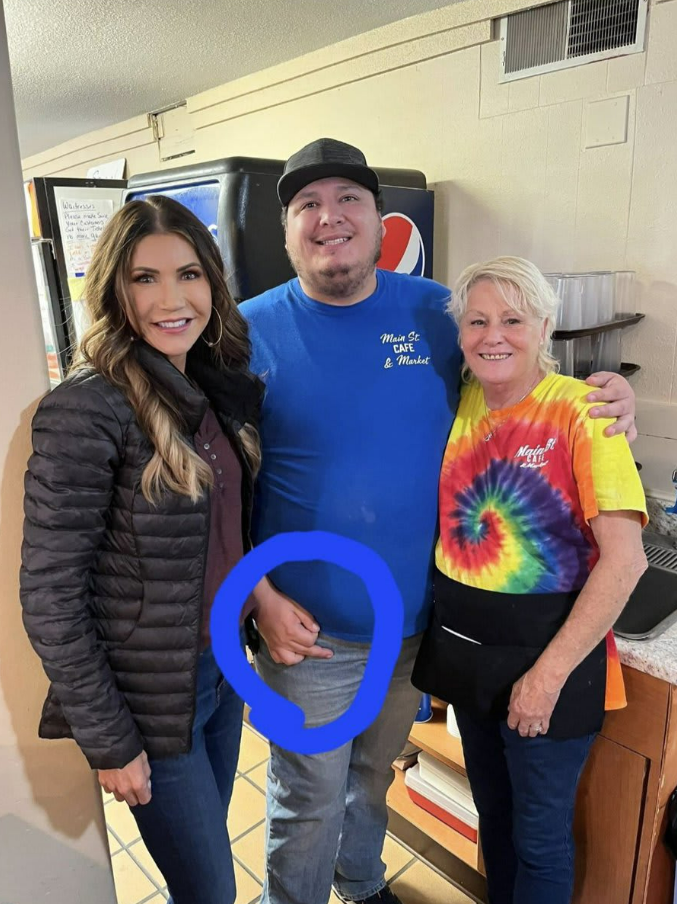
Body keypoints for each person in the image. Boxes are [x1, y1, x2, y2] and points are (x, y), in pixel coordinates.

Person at [239, 138, 638, 904]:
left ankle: (361, 886)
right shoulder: (245, 330)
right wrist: (257, 595)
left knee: (370, 779)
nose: (330, 219)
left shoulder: (432, 312)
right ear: (285, 230)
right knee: (306, 799)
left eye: (348, 199)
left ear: (379, 218)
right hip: (305, 635)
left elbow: (514, 379)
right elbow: (215, 486)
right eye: (307, 206)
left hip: (415, 630)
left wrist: (606, 391)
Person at [20, 196, 263, 904]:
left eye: (188, 274)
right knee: (211, 891)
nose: (170, 298)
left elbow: (224, 537)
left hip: (218, 671)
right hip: (151, 704)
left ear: (212, 284)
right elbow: (50, 595)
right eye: (143, 279)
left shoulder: (213, 386)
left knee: (207, 862)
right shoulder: (87, 408)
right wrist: (111, 741)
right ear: (114, 291)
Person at [412, 256, 647, 904]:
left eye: (512, 319)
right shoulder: (457, 404)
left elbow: (624, 561)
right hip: (468, 657)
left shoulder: (583, 411)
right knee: (496, 821)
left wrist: (544, 679)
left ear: (544, 326)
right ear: (459, 332)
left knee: (538, 840)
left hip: (549, 660)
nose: (493, 335)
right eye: (478, 320)